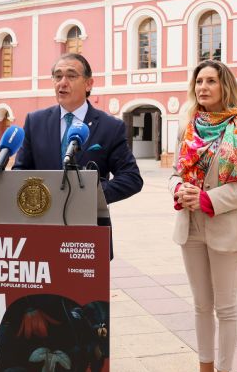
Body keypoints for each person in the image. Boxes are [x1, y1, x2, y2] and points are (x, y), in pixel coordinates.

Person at [169, 60, 237, 372]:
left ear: (225, 85)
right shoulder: (189, 126)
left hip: (226, 224)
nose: (203, 87)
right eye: (198, 81)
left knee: (225, 308)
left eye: (211, 81)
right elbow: (176, 172)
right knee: (200, 306)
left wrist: (209, 198)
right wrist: (178, 189)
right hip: (190, 224)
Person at [13, 53, 143, 257]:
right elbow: (20, 172)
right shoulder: (34, 121)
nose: (62, 83)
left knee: (85, 290)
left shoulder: (110, 127)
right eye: (57, 76)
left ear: (89, 84)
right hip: (40, 229)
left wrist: (92, 194)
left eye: (71, 76)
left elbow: (132, 178)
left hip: (89, 233)